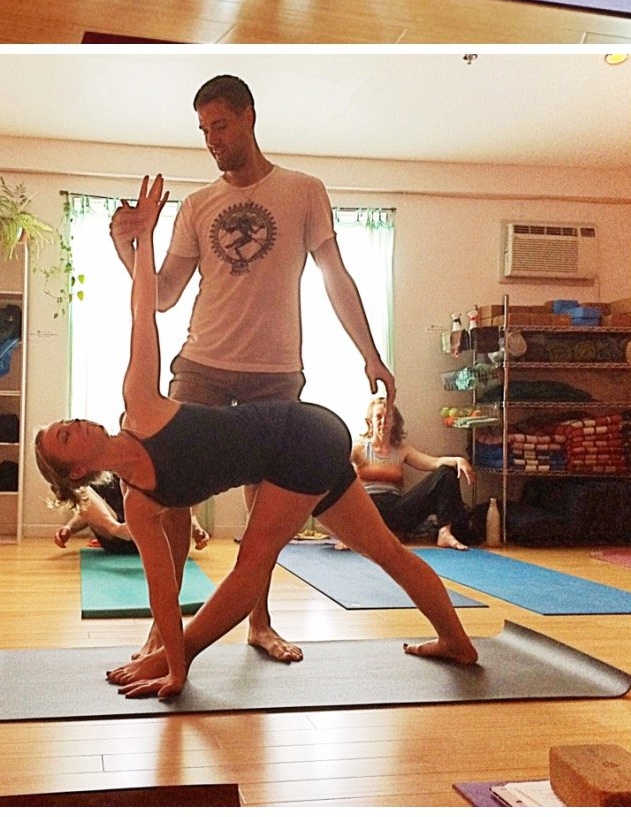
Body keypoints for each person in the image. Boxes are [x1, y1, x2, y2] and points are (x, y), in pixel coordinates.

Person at [36, 176, 477, 702]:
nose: (76, 422)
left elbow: (141, 317)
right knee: (385, 550)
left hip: (304, 433)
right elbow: (160, 593)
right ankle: (457, 642)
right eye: (66, 435)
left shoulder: (141, 405)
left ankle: (181, 655)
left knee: (254, 560)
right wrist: (173, 667)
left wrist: (145, 238)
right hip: (296, 453)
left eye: (68, 421)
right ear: (78, 472)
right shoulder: (139, 506)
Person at [108, 73, 394, 664]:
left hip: (275, 372)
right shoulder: (197, 206)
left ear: (248, 118)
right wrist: (129, 246)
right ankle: (165, 628)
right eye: (204, 130)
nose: (212, 139)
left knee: (264, 508)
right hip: (203, 365)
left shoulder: (303, 190)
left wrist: (371, 353)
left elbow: (335, 276)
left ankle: (259, 623)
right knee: (172, 497)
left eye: (220, 125)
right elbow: (161, 295)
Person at [352, 397, 475, 549]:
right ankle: (366, 535)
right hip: (370, 509)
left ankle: (444, 533)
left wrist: (458, 460)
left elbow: (433, 463)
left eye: (388, 417)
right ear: (370, 421)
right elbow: (336, 465)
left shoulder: (401, 449)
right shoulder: (359, 449)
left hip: (397, 509)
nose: (383, 421)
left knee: (446, 472)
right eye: (378, 416)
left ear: (394, 421)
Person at [53, 476, 210, 555]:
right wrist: (69, 528)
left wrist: (195, 528)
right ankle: (118, 529)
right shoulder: (104, 475)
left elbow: (178, 508)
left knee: (187, 477)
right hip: (117, 534)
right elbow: (92, 512)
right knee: (77, 487)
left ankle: (126, 530)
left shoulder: (154, 469)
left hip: (155, 536)